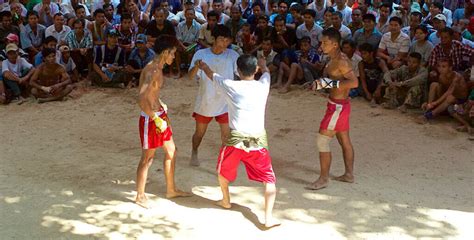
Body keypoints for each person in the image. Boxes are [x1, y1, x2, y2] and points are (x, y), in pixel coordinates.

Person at [196, 55, 280, 228]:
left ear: (237, 71)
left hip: (236, 140)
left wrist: (203, 66)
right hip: (258, 140)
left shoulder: (230, 85)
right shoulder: (263, 84)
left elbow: (212, 75)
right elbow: (266, 72)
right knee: (269, 180)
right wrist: (263, 64)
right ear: (255, 70)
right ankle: (268, 218)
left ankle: (226, 200)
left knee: (222, 171)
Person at [135, 36, 192, 209]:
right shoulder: (152, 70)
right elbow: (141, 98)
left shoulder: (158, 68)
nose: (174, 58)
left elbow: (152, 94)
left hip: (159, 114)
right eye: (173, 54)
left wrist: (160, 107)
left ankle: (171, 189)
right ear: (166, 52)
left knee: (172, 151)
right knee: (147, 158)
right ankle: (140, 196)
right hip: (151, 118)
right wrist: (154, 117)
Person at [305, 28, 359, 190]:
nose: (322, 45)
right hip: (339, 105)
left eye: (325, 42)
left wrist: (327, 84)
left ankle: (323, 179)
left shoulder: (341, 61)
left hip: (337, 107)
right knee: (344, 140)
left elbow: (354, 83)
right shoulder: (332, 58)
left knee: (322, 141)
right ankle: (348, 174)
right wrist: (322, 83)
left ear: (335, 44)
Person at [188, 25, 239, 167]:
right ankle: (194, 150)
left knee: (226, 135)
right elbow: (190, 76)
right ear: (214, 39)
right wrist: (196, 67)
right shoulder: (201, 54)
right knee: (199, 133)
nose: (225, 43)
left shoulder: (233, 55)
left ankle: (224, 161)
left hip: (225, 101)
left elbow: (241, 74)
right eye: (222, 39)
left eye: (227, 40)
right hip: (206, 100)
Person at [418, 58, 469, 124]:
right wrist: (433, 102)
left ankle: (430, 115)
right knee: (434, 85)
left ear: (450, 68)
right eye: (439, 66)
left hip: (460, 101)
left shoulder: (456, 77)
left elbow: (449, 92)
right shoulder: (441, 76)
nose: (440, 69)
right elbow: (442, 89)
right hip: (448, 97)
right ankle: (429, 108)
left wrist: (436, 102)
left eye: (444, 66)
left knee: (450, 97)